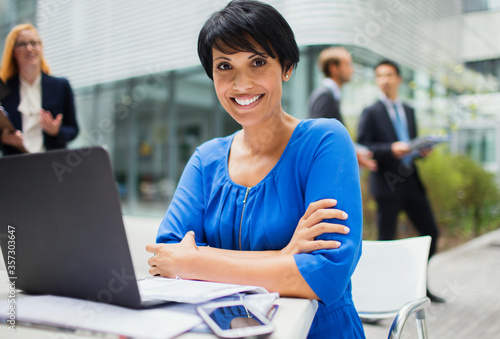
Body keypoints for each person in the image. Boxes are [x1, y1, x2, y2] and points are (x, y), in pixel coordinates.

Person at [146, 1, 365, 338]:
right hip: (220, 332)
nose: (241, 84)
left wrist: (195, 262)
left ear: (287, 66)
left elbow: (326, 275)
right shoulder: (206, 160)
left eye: (258, 62)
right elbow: (166, 259)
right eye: (224, 66)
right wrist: (283, 257)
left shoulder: (325, 141)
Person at [357, 59, 444, 303]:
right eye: (379, 76)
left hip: (411, 181)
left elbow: (410, 142)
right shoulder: (370, 112)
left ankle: (419, 287)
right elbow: (363, 147)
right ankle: (380, 297)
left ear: (398, 79)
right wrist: (390, 149)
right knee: (386, 243)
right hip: (387, 184)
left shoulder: (409, 110)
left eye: (388, 75)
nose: (384, 80)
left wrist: (420, 150)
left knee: (431, 233)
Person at [0, 24, 78, 156]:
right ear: (13, 51)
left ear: (41, 48)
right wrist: (3, 139)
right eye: (22, 44)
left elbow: (73, 129)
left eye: (34, 43)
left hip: (52, 165)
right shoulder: (4, 89)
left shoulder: (61, 86)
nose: (29, 48)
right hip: (15, 166)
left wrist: (56, 131)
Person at [308, 46, 377, 171]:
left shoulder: (331, 96)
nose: (352, 69)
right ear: (334, 68)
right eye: (348, 64)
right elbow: (321, 140)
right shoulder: (325, 96)